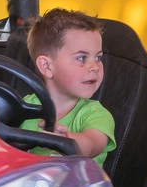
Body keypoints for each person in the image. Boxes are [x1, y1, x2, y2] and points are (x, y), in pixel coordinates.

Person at [19, 9, 116, 164]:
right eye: (82, 58)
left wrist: (65, 141)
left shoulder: (96, 115)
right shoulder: (24, 106)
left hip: (77, 186)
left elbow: (92, 144)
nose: (95, 67)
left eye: (98, 57)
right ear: (47, 67)